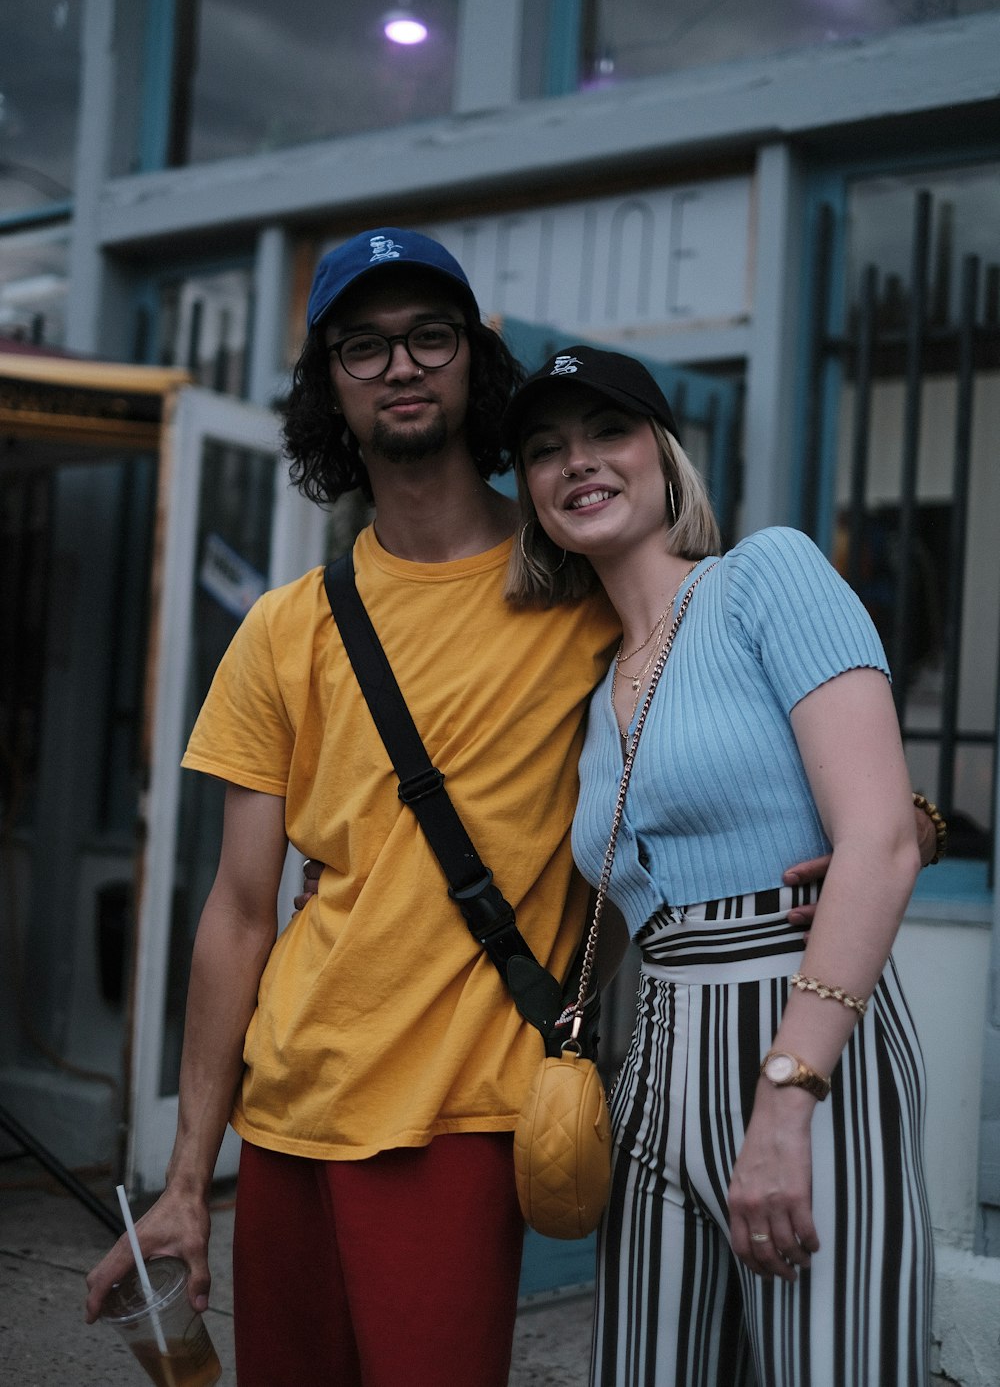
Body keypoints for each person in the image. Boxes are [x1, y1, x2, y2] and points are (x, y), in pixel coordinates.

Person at [84, 233, 935, 1386]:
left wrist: (896, 826)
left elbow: (777, 734)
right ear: (327, 384)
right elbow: (239, 912)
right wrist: (187, 1180)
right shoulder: (287, 627)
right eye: (362, 345)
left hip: (467, 1115)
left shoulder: (585, 588)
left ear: (470, 363)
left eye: (428, 335)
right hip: (289, 1113)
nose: (399, 366)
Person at [500, 345, 934, 1387]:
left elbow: (878, 835)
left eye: (608, 432)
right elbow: (618, 905)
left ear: (664, 455)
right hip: (654, 1058)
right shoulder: (591, 682)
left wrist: (785, 1101)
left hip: (801, 1042)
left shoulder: (763, 577)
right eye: (547, 450)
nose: (580, 463)